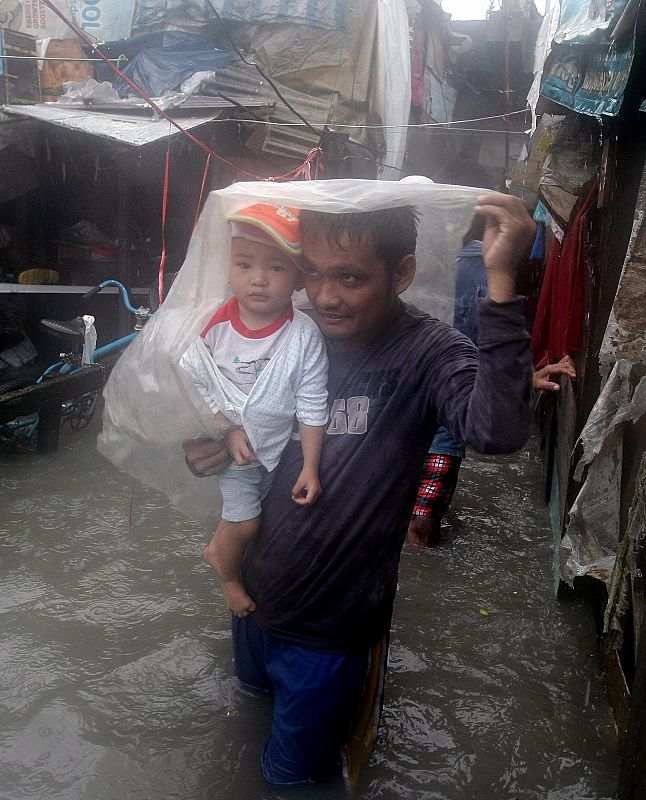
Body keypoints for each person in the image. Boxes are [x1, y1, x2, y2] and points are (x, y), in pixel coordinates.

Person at [183, 192, 536, 785]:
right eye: (313, 275)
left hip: (332, 631)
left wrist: (502, 279)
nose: (325, 297)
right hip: (252, 602)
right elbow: (220, 429)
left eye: (349, 278)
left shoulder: (427, 354)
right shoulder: (280, 332)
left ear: (402, 272)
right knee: (245, 720)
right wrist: (204, 452)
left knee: (294, 780)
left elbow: (497, 432)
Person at [180, 203, 328, 618]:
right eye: (244, 264)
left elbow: (313, 403)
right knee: (246, 524)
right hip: (235, 453)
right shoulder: (210, 327)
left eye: (277, 268)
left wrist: (311, 467)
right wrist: (226, 430)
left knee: (247, 521)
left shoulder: (304, 335)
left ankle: (218, 547)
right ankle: (227, 577)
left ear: (299, 278)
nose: (258, 279)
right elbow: (193, 388)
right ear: (227, 269)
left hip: (278, 450)